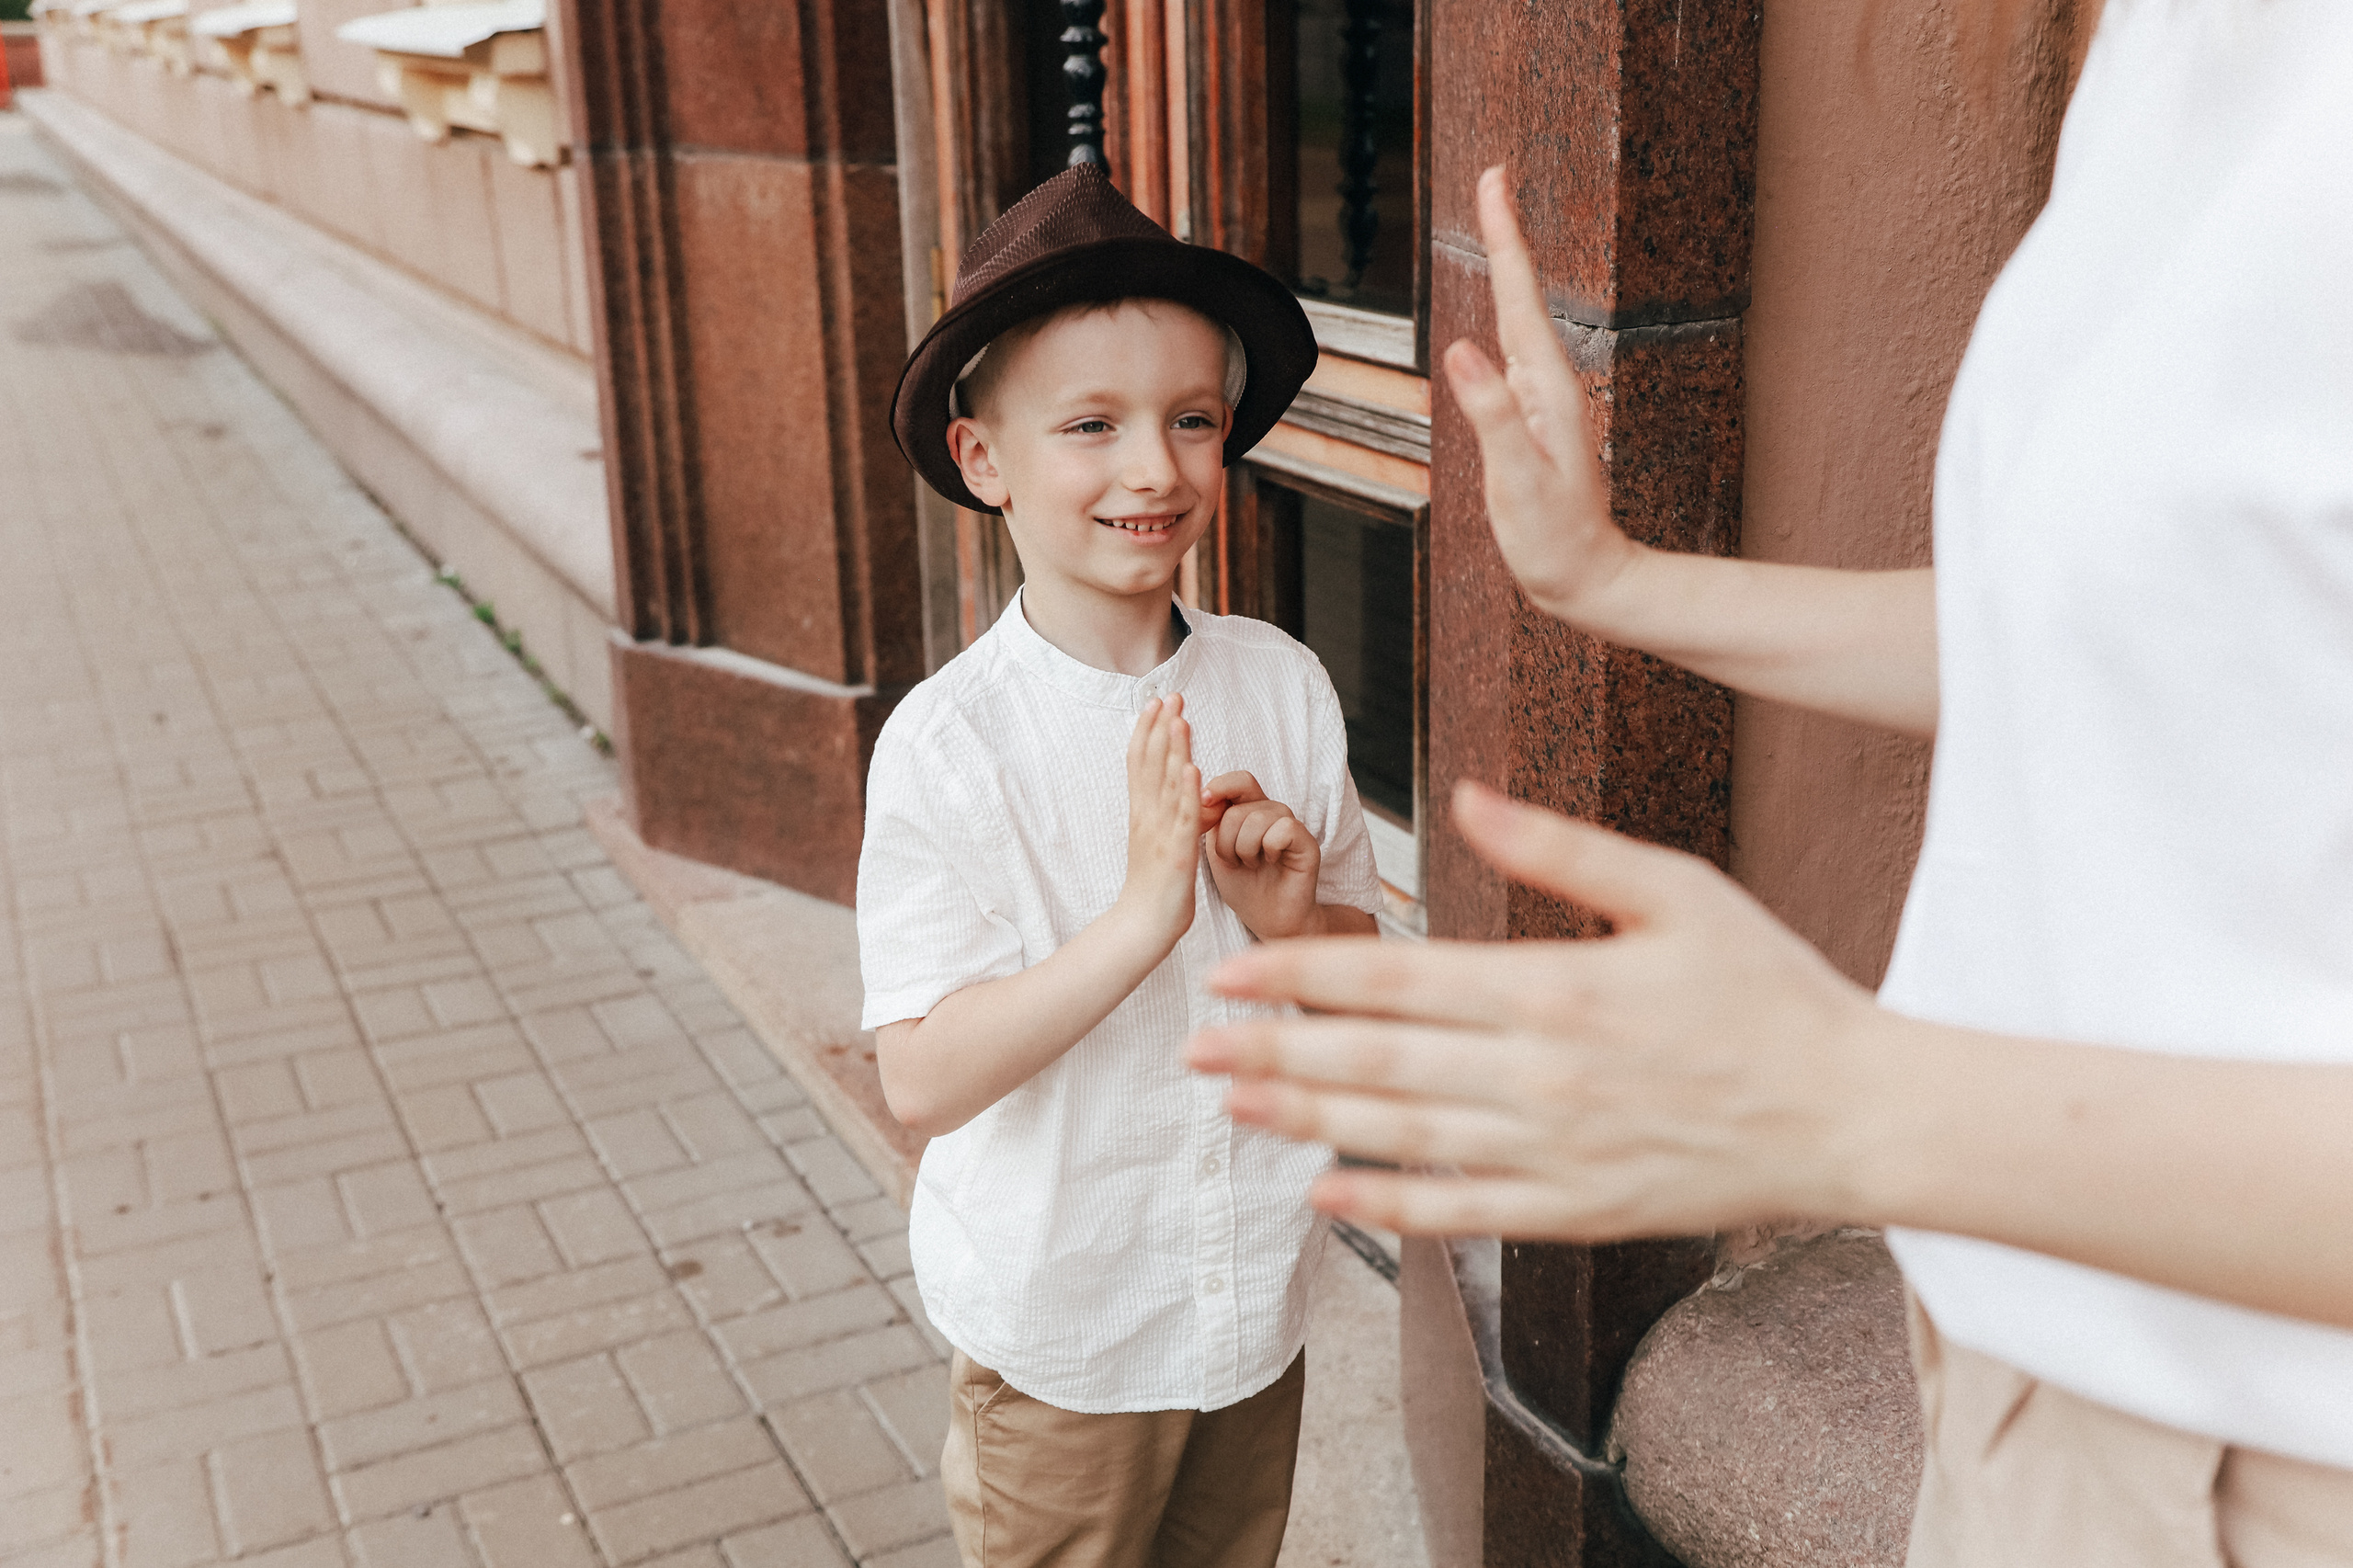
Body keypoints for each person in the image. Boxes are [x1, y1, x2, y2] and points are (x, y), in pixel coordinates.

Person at [1184, 1, 2353, 1562]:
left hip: (2266, 1463)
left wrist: (1858, 1101)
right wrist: (1615, 581)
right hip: (2021, 1371)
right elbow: (2098, 640)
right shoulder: (2176, 50)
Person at [859, 164, 1384, 1568]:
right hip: (1068, 1331)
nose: (1154, 467)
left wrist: (1285, 926)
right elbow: (921, 1075)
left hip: (1251, 1293)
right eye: (1091, 424)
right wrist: (1147, 914)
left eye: (1191, 421)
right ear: (986, 460)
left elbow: (1360, 982)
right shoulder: (951, 747)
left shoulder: (1280, 686)